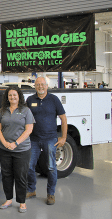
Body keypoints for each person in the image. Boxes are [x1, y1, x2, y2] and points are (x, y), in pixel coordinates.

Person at [26, 77, 67, 205]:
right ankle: (31, 189)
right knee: (28, 166)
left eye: (42, 84)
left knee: (51, 167)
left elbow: (63, 118)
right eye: (38, 84)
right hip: (34, 139)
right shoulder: (30, 100)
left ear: (47, 85)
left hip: (50, 139)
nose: (40, 87)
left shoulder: (54, 99)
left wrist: (63, 137)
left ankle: (51, 194)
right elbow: (25, 118)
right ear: (35, 86)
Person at [0, 86, 34, 213]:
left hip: (21, 149)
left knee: (20, 175)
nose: (12, 97)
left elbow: (29, 130)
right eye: (10, 95)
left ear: (19, 97)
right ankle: (8, 199)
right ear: (7, 97)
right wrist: (5, 143)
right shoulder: (2, 110)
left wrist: (15, 143)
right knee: (6, 175)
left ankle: (22, 202)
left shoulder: (26, 111)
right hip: (5, 149)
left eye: (15, 95)